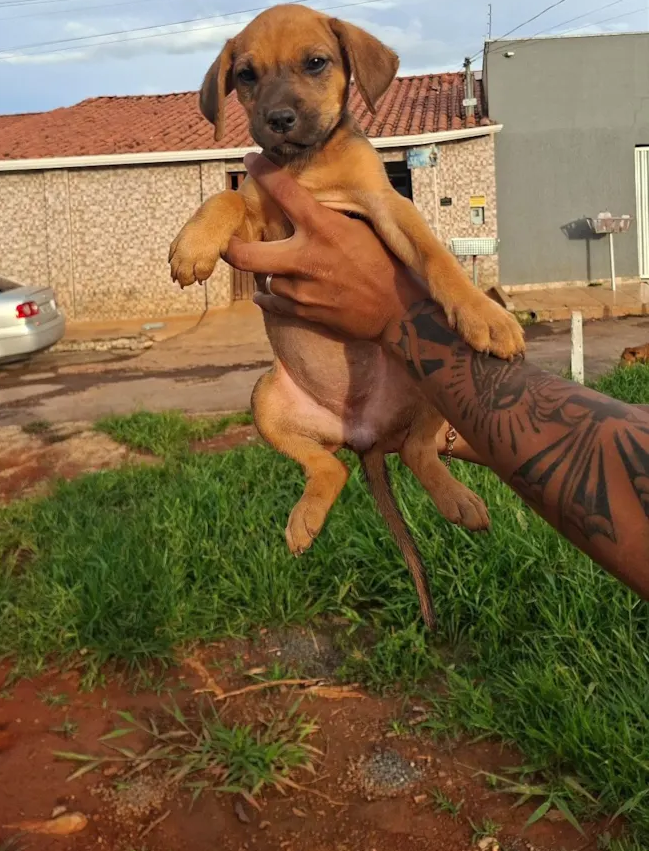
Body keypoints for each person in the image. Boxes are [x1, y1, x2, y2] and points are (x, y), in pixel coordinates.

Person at [224, 154, 649, 601]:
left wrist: (405, 313)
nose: (282, 108)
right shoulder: (268, 172)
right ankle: (322, 466)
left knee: (414, 376)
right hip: (307, 396)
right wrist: (223, 213)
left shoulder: (354, 162)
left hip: (391, 380)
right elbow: (244, 215)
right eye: (249, 78)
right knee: (269, 404)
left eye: (313, 75)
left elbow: (394, 215)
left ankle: (418, 451)